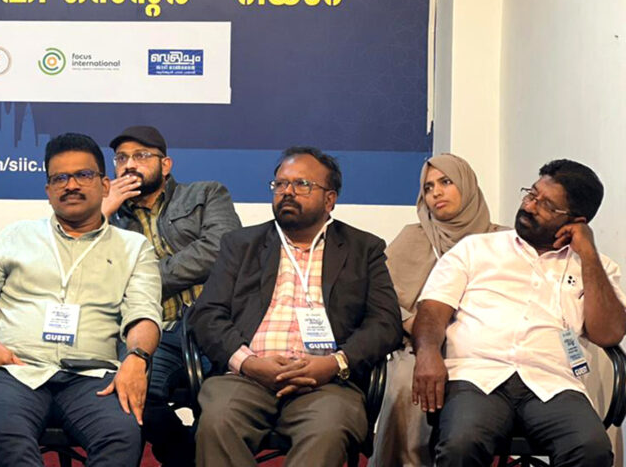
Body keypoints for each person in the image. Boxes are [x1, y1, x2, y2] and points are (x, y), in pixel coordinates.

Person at [0, 133, 162, 467]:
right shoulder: (17, 236)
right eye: (60, 178)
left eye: (83, 175)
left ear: (105, 185)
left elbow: (144, 314)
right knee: (4, 431)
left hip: (93, 377)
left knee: (122, 434)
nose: (70, 185)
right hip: (17, 372)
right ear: (48, 191)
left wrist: (137, 358)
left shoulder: (133, 248)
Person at [189, 146, 402, 467]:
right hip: (247, 377)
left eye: (302, 184)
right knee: (218, 421)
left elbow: (385, 323)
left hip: (327, 383)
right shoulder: (241, 245)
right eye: (280, 184)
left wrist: (335, 363)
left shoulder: (363, 248)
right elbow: (206, 314)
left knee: (327, 429)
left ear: (330, 199)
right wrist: (247, 363)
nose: (287, 192)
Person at [413, 159, 626, 467]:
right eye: (532, 194)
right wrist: (428, 352)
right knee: (461, 444)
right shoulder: (475, 249)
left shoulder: (598, 267)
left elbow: (608, 333)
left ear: (576, 220)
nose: (529, 206)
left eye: (546, 205)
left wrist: (588, 254)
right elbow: (432, 309)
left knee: (591, 448)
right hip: (476, 377)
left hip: (553, 383)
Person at [103, 125, 241, 467]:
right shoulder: (108, 220)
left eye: (140, 156)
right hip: (154, 330)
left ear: (165, 165)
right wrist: (102, 215)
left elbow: (221, 248)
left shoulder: (206, 194)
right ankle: (183, 457)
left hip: (214, 323)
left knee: (226, 405)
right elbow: (99, 276)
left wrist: (145, 277)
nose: (129, 164)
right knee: (129, 394)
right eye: (121, 158)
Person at [370, 153, 505, 467]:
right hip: (419, 346)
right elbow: (381, 296)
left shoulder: (502, 239)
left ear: (467, 185)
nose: (436, 193)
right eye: (428, 188)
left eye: (446, 182)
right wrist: (411, 323)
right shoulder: (413, 237)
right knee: (405, 382)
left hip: (488, 351)